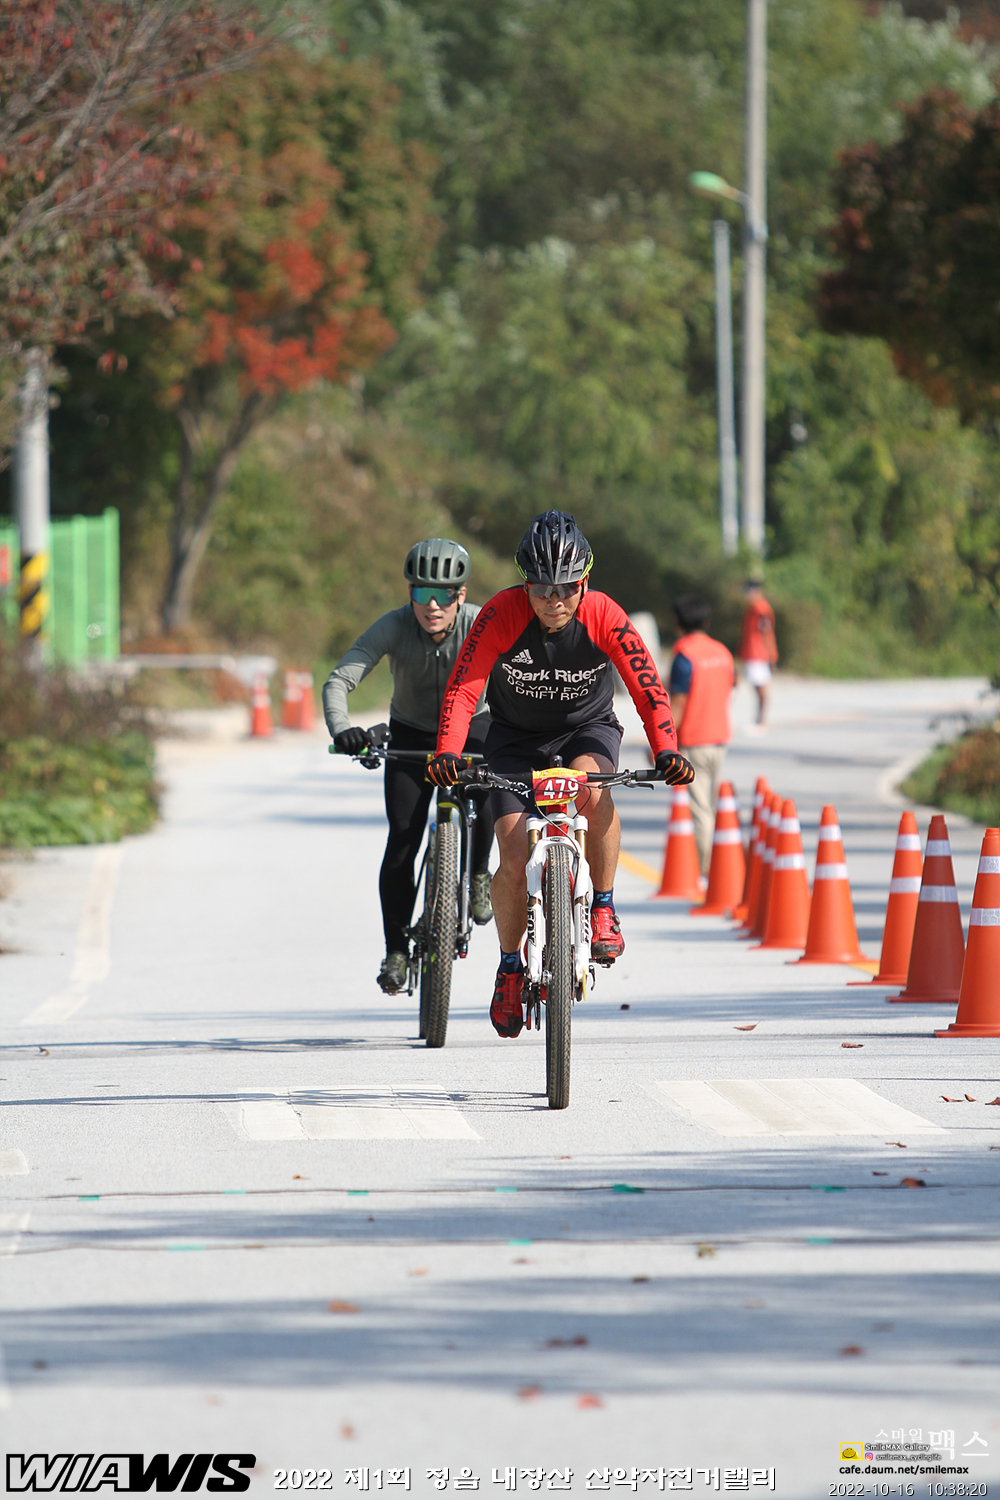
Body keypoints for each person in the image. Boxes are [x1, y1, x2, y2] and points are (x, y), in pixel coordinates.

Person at [425, 511, 693, 1039]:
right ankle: (509, 967)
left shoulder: (605, 614)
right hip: (514, 740)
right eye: (542, 587)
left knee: (591, 790)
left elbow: (646, 686)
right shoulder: (500, 613)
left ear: (584, 581)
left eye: (567, 587)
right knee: (512, 855)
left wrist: (667, 749)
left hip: (585, 731)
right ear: (525, 583)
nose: (554, 599)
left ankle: (604, 906)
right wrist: (447, 751)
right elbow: (464, 687)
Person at [323, 538, 495, 995]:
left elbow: (519, 675)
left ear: (461, 594)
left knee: (487, 792)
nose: (432, 605)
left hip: (472, 727)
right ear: (410, 594)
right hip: (412, 735)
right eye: (422, 593)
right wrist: (343, 729)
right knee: (402, 840)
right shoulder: (394, 626)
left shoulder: (481, 623)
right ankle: (396, 950)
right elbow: (339, 680)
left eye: (444, 594)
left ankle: (479, 872)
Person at [668, 594, 735, 876]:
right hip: (720, 738)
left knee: (699, 810)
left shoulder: (685, 656)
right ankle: (721, 864)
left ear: (677, 624)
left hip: (694, 742)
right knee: (713, 806)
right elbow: (731, 685)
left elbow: (678, 703)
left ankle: (707, 871)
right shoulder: (723, 652)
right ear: (706, 621)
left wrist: (663, 742)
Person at [739, 577, 777, 727]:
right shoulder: (753, 608)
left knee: (761, 686)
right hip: (751, 652)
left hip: (759, 653)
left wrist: (771, 655)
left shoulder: (761, 609)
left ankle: (762, 719)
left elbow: (766, 633)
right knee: (755, 686)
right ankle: (758, 718)